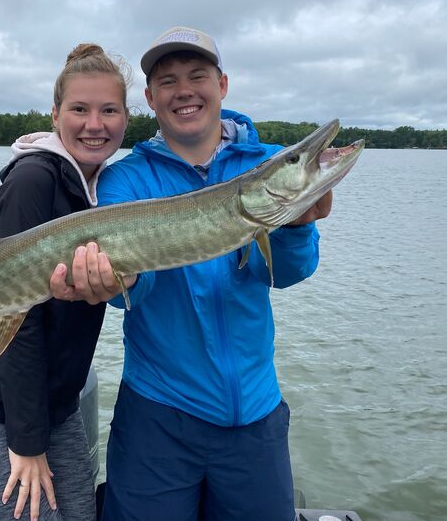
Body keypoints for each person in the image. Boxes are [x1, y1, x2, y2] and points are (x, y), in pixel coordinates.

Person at [50, 27, 332, 521]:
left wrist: (294, 226)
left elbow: (287, 273)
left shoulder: (265, 164)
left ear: (222, 85)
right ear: (150, 99)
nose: (184, 90)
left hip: (256, 415)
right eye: (168, 80)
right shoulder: (127, 178)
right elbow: (132, 290)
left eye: (197, 75)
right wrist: (119, 280)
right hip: (158, 417)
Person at [0, 43, 131, 521]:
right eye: (79, 109)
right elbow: (13, 318)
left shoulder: (100, 188)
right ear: (56, 114)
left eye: (109, 110)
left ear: (127, 117)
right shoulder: (32, 181)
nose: (94, 124)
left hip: (48, 404)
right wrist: (26, 444)